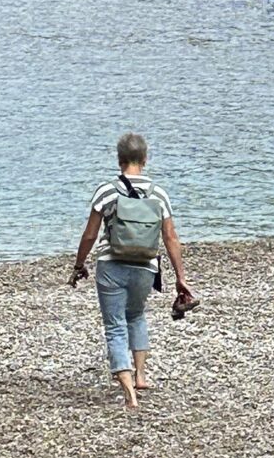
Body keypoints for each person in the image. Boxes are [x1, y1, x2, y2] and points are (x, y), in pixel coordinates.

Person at [69, 131, 194, 410]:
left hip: (111, 265)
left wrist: (79, 264)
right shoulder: (158, 193)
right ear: (145, 159)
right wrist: (180, 278)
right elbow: (170, 237)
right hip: (145, 266)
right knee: (136, 315)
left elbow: (90, 235)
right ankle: (140, 376)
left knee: (115, 325)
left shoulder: (106, 191)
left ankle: (129, 392)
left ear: (119, 160)